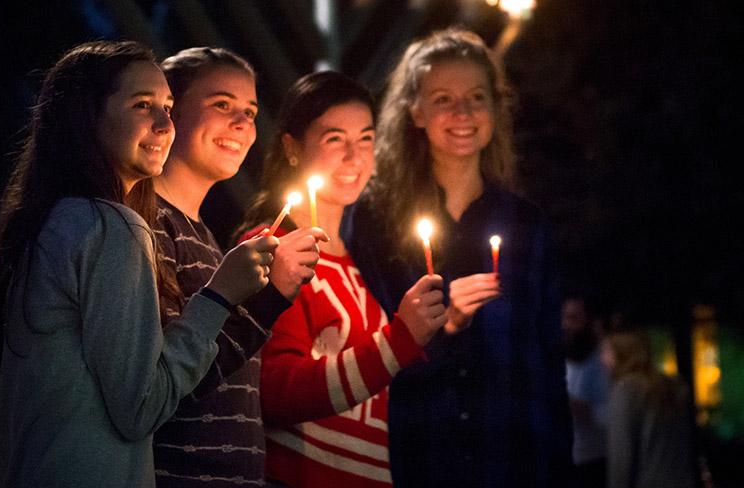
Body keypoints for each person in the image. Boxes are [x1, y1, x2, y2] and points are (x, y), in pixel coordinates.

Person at [0, 41, 276, 487]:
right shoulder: (111, 227)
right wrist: (219, 295)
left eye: (168, 106)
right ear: (88, 115)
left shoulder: (48, 223)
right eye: (142, 104)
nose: (166, 123)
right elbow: (142, 407)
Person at [343, 27, 573, 487]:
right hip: (420, 456)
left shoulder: (527, 225)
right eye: (443, 99)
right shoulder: (375, 220)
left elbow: (548, 363)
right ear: (415, 112)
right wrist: (442, 324)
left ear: (495, 107)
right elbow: (369, 351)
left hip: (517, 461)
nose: (463, 113)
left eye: (476, 97)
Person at [237, 71, 448, 487]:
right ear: (292, 148)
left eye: (366, 138)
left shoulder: (360, 263)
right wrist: (400, 338)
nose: (355, 157)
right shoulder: (271, 251)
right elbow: (273, 392)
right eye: (335, 139)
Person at [151, 47, 327, 487]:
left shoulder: (208, 238)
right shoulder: (147, 225)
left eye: (250, 111)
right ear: (169, 111)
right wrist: (273, 296)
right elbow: (167, 384)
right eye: (222, 104)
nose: (244, 124)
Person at [602, 329, 696, 488]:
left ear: (622, 353)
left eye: (606, 351)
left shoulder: (627, 389)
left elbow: (622, 453)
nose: (603, 358)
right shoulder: (674, 384)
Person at [562, 295, 610, 487]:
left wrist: (581, 408)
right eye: (564, 318)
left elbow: (614, 418)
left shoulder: (604, 363)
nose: (566, 325)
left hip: (595, 462)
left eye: (574, 318)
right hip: (566, 461)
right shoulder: (560, 359)